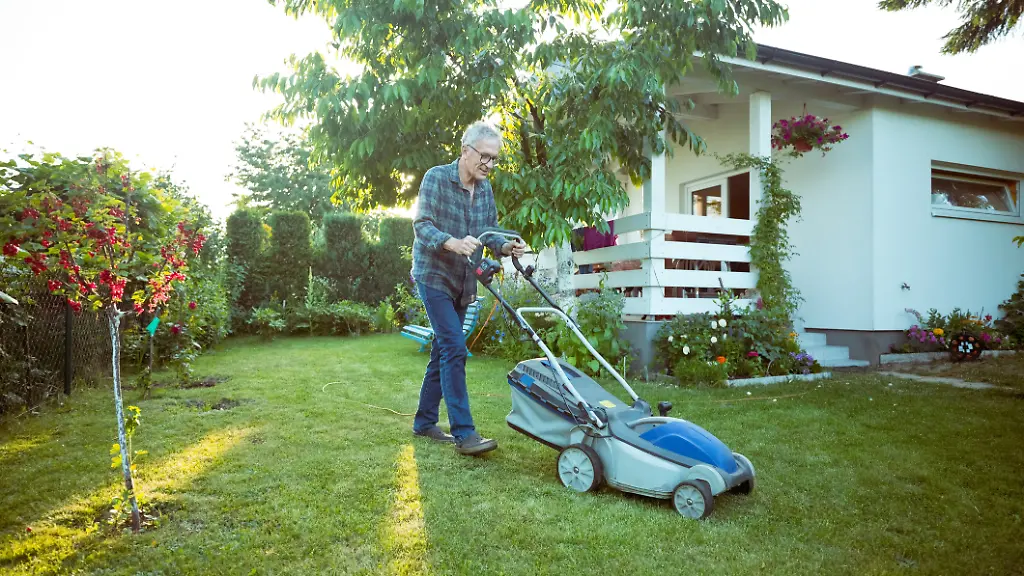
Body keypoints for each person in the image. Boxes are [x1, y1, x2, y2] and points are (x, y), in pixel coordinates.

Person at [410, 120, 526, 455]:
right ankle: (464, 433)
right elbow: (422, 225)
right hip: (433, 275)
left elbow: (488, 234)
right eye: (484, 157)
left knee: (442, 351)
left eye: (494, 159)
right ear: (465, 151)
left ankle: (424, 422)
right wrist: (450, 242)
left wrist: (506, 247)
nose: (489, 165)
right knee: (454, 348)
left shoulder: (485, 190)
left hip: (463, 281)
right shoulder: (436, 177)